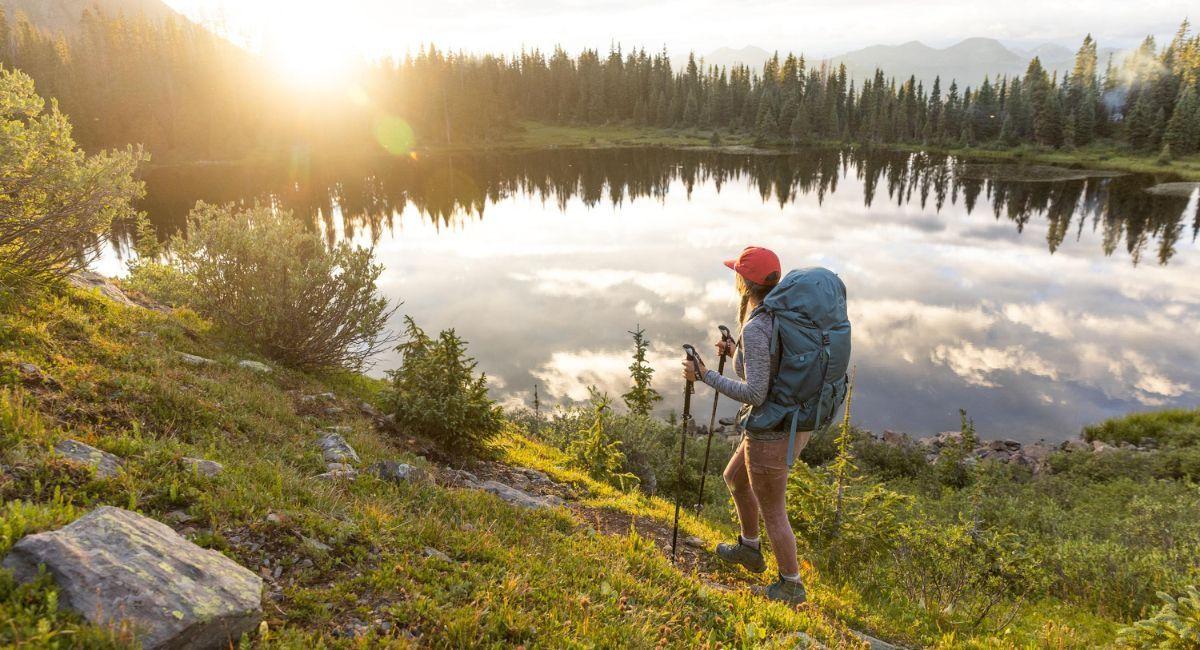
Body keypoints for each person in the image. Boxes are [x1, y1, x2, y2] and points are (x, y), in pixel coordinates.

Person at [681, 245, 809, 605]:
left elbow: (755, 392)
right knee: (736, 478)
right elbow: (768, 368)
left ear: (744, 282)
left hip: (773, 427)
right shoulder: (778, 314)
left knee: (773, 507)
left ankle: (791, 586)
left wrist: (705, 374)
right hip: (791, 419)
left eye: (736, 272)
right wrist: (736, 350)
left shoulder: (759, 325)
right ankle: (750, 549)